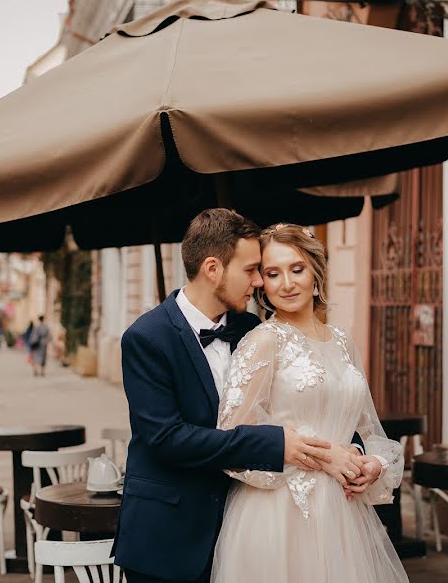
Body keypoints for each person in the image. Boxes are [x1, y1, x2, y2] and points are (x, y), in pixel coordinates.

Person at [113, 209, 366, 583]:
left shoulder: (253, 328)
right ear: (213, 269)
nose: (259, 282)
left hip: (245, 527)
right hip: (169, 534)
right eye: (251, 270)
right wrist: (275, 444)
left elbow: (299, 402)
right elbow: (167, 439)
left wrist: (350, 449)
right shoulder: (147, 337)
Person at [211, 223, 406, 583]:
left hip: (344, 516)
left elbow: (368, 430)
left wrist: (373, 465)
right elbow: (232, 441)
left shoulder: (343, 342)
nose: (286, 283)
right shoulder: (262, 342)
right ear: (263, 286)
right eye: (273, 273)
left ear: (316, 273)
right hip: (280, 515)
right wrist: (323, 457)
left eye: (296, 269)